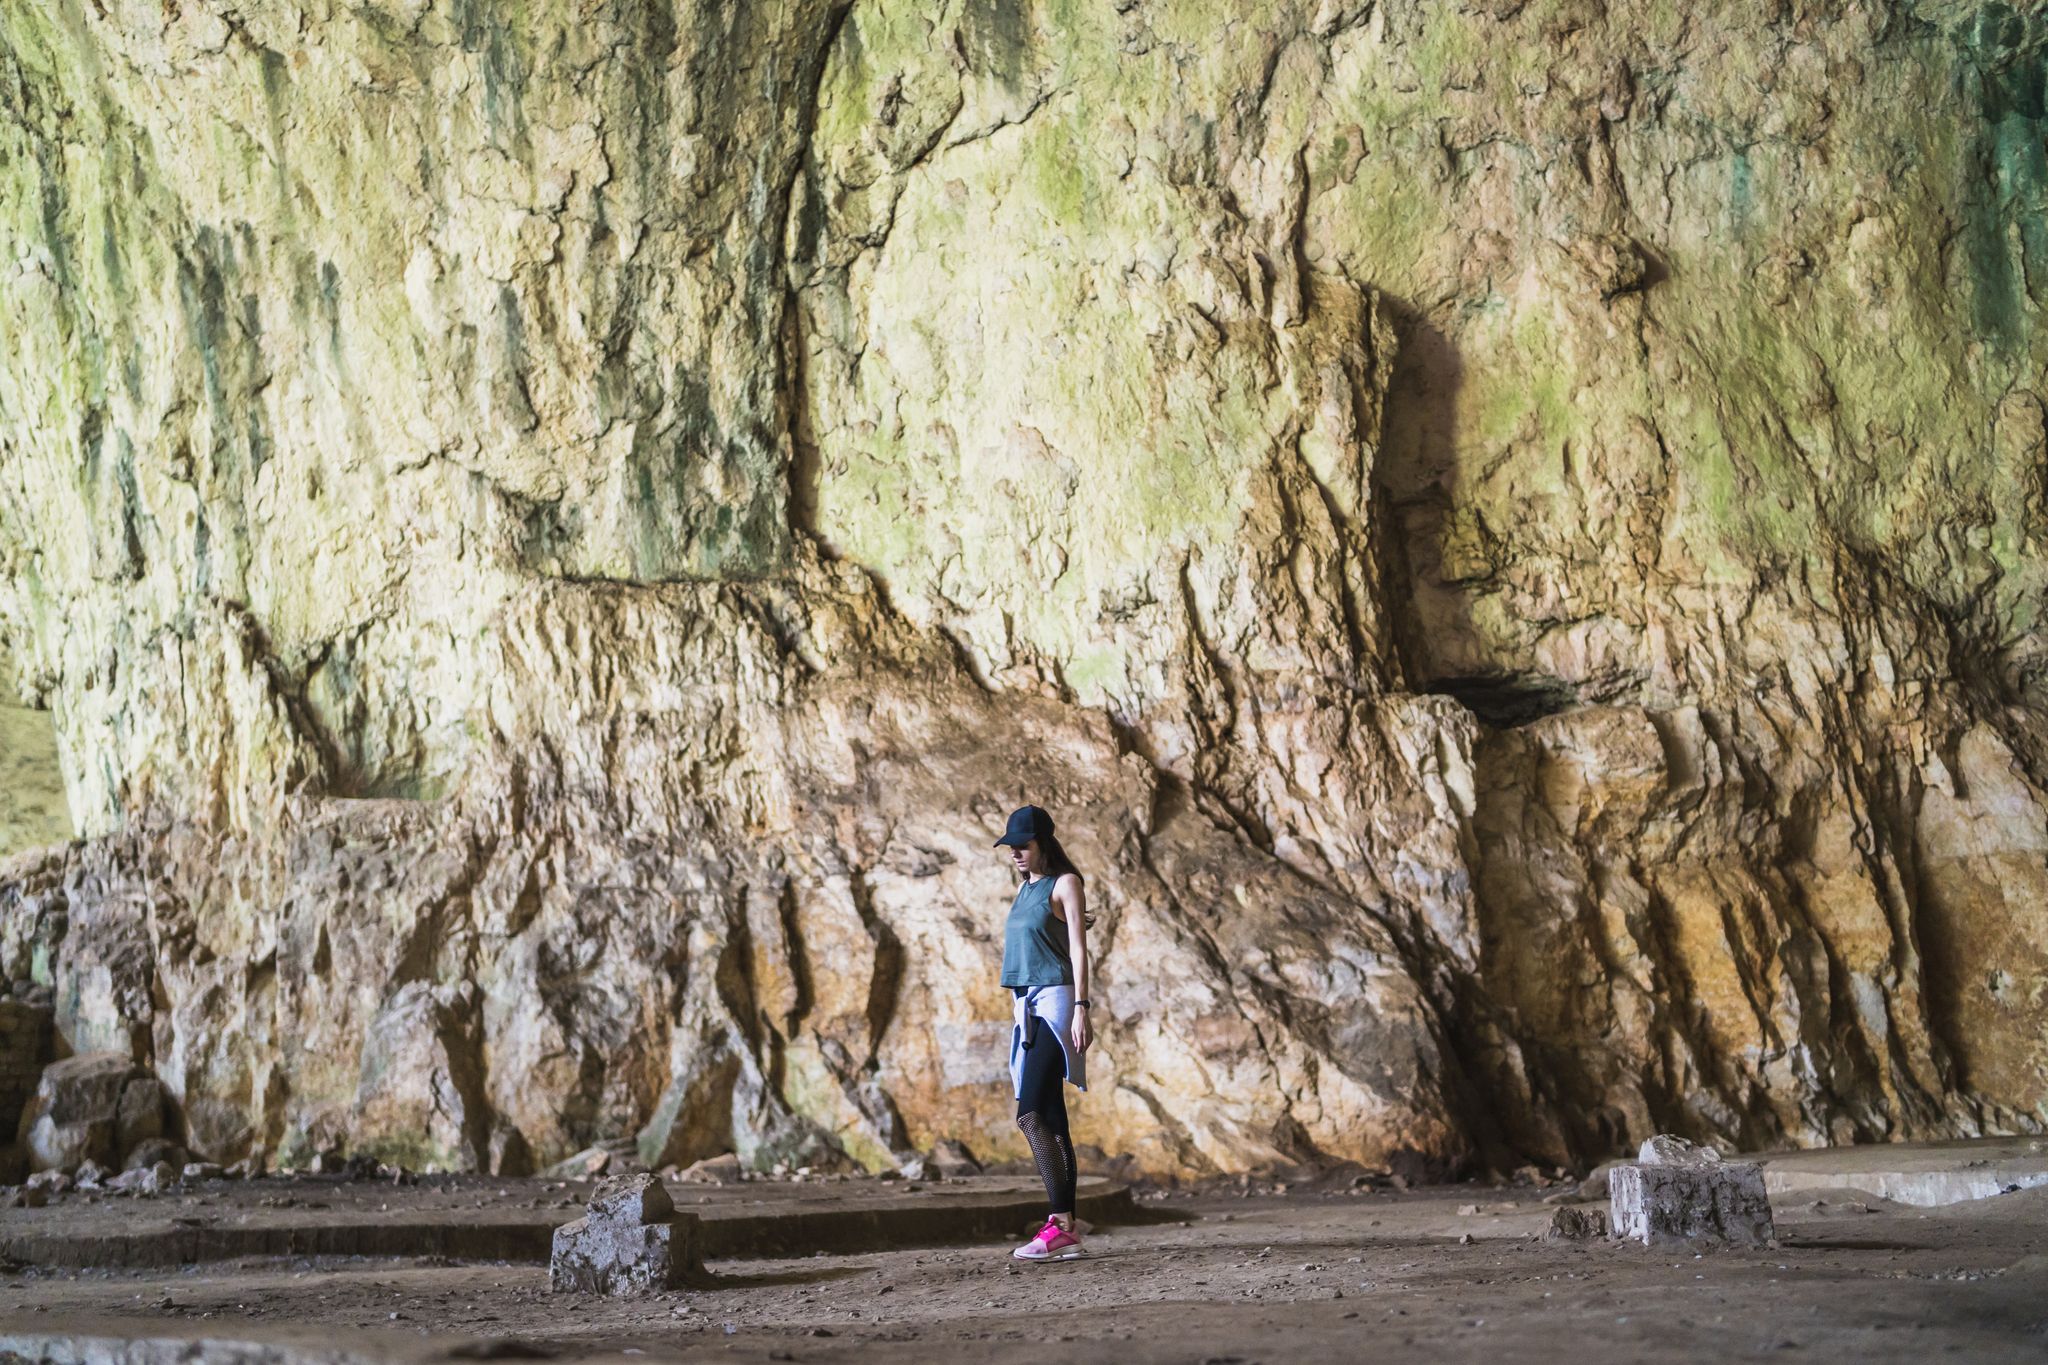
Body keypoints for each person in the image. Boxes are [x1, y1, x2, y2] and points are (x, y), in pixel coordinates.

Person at [993, 804, 1094, 1262]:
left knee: (1030, 1114)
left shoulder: (1065, 883)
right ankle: (1066, 1229)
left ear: (1043, 843)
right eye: (1011, 845)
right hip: (1027, 1008)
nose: (1015, 851)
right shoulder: (1025, 888)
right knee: (1052, 1118)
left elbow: (1078, 948)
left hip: (1056, 1004)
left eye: (1024, 844)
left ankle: (1057, 1224)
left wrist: (1081, 1008)